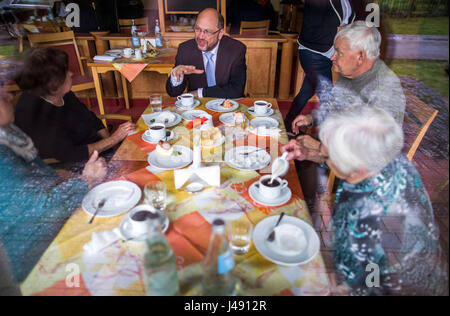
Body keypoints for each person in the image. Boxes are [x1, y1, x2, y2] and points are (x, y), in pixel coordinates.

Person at [285, 106, 448, 295]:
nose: (321, 151)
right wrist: (311, 154)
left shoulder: (371, 220)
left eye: (328, 154)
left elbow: (371, 284)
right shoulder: (384, 157)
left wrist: (337, 289)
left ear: (356, 168)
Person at [0, 87, 107, 282]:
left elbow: (38, 175)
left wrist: (66, 175)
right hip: (35, 254)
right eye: (0, 91)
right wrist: (87, 179)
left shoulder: (8, 132)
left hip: (54, 219)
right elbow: (40, 208)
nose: (8, 95)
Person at [288, 21, 406, 164]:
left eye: (339, 52)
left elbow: (375, 151)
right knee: (288, 149)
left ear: (360, 57)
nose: (332, 57)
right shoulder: (351, 73)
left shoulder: (385, 90)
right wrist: (311, 118)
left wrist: (319, 148)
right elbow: (334, 107)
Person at [14, 47, 135, 164]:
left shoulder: (61, 93)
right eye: (65, 72)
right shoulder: (35, 114)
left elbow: (91, 119)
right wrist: (114, 139)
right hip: (82, 165)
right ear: (52, 84)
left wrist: (113, 146)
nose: (71, 73)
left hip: (101, 149)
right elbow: (72, 154)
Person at [284, 0, 359, 133]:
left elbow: (350, 23)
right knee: (328, 97)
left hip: (329, 54)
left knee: (306, 91)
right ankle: (334, 138)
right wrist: (339, 30)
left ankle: (288, 124)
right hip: (313, 53)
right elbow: (310, 26)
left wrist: (348, 30)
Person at [165, 8, 247, 99]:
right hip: (197, 108)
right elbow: (173, 93)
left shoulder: (236, 50)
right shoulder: (185, 50)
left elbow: (236, 90)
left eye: (207, 31)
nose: (200, 36)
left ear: (220, 33)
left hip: (227, 106)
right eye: (198, 29)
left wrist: (200, 93)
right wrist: (176, 77)